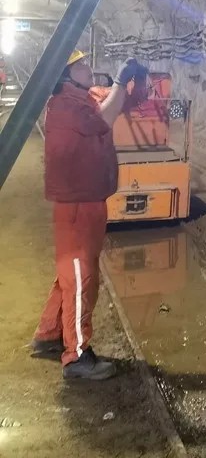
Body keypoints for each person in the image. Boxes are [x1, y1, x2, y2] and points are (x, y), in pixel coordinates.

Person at [31, 50, 141, 379]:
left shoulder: (87, 96)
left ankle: (49, 333)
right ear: (65, 75)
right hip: (76, 204)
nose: (88, 67)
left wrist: (135, 80)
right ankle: (76, 355)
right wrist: (120, 81)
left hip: (89, 200)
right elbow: (102, 120)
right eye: (80, 64)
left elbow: (122, 101)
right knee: (81, 277)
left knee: (71, 273)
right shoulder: (64, 105)